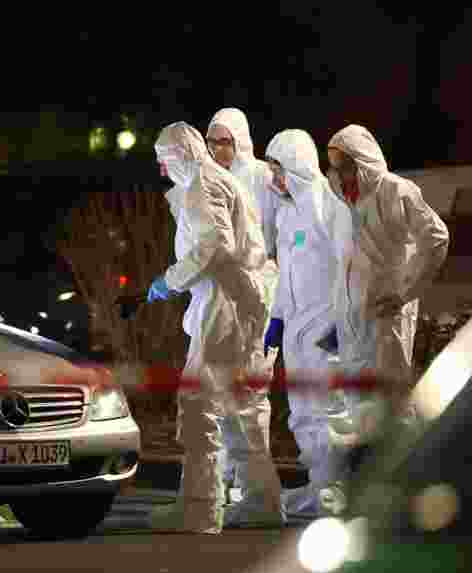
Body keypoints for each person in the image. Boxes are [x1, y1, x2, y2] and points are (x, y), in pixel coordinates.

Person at [146, 121, 285, 533]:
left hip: (226, 300)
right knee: (241, 407)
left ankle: (200, 507)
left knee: (198, 402)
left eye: (164, 161)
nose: (162, 171)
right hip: (246, 300)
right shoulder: (220, 179)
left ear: (179, 156)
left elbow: (213, 247)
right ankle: (262, 501)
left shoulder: (202, 186)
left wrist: (168, 281)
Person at [321, 124, 450, 510]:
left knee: (390, 401)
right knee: (355, 400)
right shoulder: (341, 198)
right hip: (351, 314)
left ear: (362, 162)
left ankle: (416, 482)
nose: (337, 172)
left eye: (343, 164)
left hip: (386, 314)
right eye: (333, 165)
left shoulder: (398, 191)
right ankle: (360, 489)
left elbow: (436, 239)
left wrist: (405, 291)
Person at [259, 129, 347, 519]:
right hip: (296, 326)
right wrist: (276, 318)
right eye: (272, 170)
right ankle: (319, 485)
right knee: (302, 411)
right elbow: (286, 271)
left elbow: (351, 270)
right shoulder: (287, 212)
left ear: (296, 165)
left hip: (325, 325)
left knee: (328, 410)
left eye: (279, 169)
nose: (274, 178)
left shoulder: (330, 208)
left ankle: (336, 492)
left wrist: (342, 325)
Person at [204, 107, 281, 512]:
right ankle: (239, 482)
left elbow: (272, 238)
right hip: (227, 293)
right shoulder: (210, 180)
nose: (218, 149)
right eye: (212, 140)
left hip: (257, 290)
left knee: (250, 393)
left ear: (241, 141)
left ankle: (259, 494)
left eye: (225, 141)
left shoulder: (262, 179)